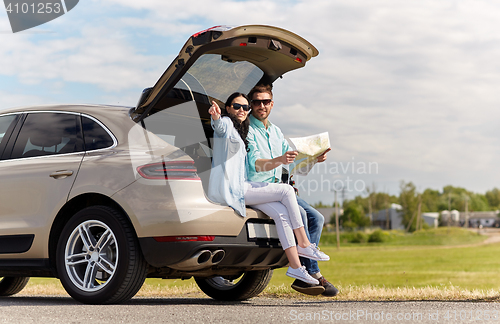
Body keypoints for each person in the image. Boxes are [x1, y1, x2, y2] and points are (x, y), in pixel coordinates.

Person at [207, 92, 329, 286]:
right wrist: (215, 117)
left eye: (245, 107)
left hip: (257, 188)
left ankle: (296, 267)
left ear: (271, 104)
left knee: (282, 215)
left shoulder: (258, 131)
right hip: (237, 189)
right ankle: (305, 245)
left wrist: (312, 158)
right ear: (228, 109)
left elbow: (289, 163)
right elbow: (221, 128)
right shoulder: (229, 125)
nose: (242, 110)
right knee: (287, 193)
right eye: (238, 106)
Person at [246, 84, 338, 297]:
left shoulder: (276, 131)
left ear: (272, 103)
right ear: (251, 104)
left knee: (317, 218)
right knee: (303, 215)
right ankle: (311, 274)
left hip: (280, 187)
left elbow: (293, 165)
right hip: (259, 187)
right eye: (257, 102)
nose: (261, 106)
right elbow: (255, 165)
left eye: (265, 101)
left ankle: (305, 272)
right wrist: (278, 160)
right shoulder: (247, 130)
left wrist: (314, 159)